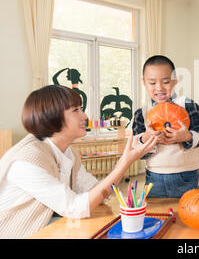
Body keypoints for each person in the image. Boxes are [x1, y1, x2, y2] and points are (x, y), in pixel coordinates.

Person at [0, 85, 157, 238]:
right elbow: (75, 208)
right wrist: (125, 162)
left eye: (81, 109)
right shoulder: (27, 161)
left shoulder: (68, 153)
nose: (85, 117)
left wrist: (126, 157)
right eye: (76, 110)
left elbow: (97, 191)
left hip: (49, 227)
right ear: (51, 116)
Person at [132, 55, 199, 198]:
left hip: (186, 176)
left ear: (174, 81)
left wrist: (186, 136)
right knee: (156, 215)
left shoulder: (187, 105)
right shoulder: (141, 113)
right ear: (144, 83)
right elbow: (136, 150)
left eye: (166, 82)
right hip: (154, 178)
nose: (159, 88)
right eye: (152, 83)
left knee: (189, 214)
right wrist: (148, 137)